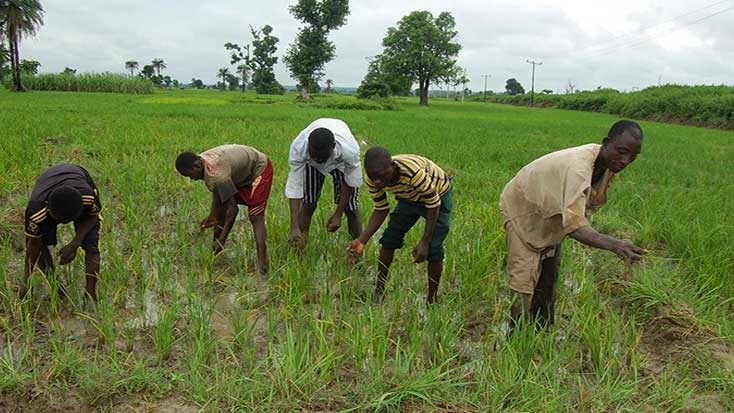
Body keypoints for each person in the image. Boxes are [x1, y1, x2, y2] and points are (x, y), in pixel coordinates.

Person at [499, 120, 646, 331]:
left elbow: (578, 210)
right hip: (523, 205)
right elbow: (575, 225)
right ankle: (516, 336)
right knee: (524, 275)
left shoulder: (606, 165)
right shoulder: (579, 168)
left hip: (551, 211)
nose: (625, 160)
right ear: (607, 143)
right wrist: (615, 244)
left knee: (550, 273)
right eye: (622, 152)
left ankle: (542, 330)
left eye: (633, 156)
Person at [347, 147, 453, 304]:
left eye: (382, 177)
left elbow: (433, 204)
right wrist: (361, 240)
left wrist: (424, 242)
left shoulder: (413, 173)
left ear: (392, 166)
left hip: (438, 195)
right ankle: (379, 290)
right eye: (373, 177)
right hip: (408, 197)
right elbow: (381, 209)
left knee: (433, 247)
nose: (377, 182)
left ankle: (432, 298)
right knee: (389, 239)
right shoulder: (373, 179)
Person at [176, 144, 273, 275]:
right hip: (239, 173)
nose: (192, 179)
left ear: (196, 166)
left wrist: (223, 238)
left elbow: (233, 210)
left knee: (256, 216)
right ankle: (216, 254)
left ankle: (262, 264)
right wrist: (212, 216)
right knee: (221, 210)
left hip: (258, 169)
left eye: (189, 175)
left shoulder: (217, 174)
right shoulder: (204, 163)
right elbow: (219, 195)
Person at [23, 164, 103, 301]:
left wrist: (74, 244)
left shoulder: (88, 197)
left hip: (77, 175)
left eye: (70, 220)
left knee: (92, 247)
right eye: (61, 220)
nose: (65, 224)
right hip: (47, 181)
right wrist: (26, 282)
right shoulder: (36, 211)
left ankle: (90, 296)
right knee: (40, 244)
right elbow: (33, 247)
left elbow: (92, 216)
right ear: (49, 211)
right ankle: (56, 287)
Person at [285, 118, 363, 248]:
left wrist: (338, 214)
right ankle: (298, 246)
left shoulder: (349, 151)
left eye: (321, 157)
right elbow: (295, 185)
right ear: (308, 146)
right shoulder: (299, 148)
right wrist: (294, 226)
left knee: (351, 208)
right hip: (311, 164)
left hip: (340, 163)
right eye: (314, 155)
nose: (318, 160)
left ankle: (357, 250)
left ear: (333, 147)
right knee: (308, 203)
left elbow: (351, 181)